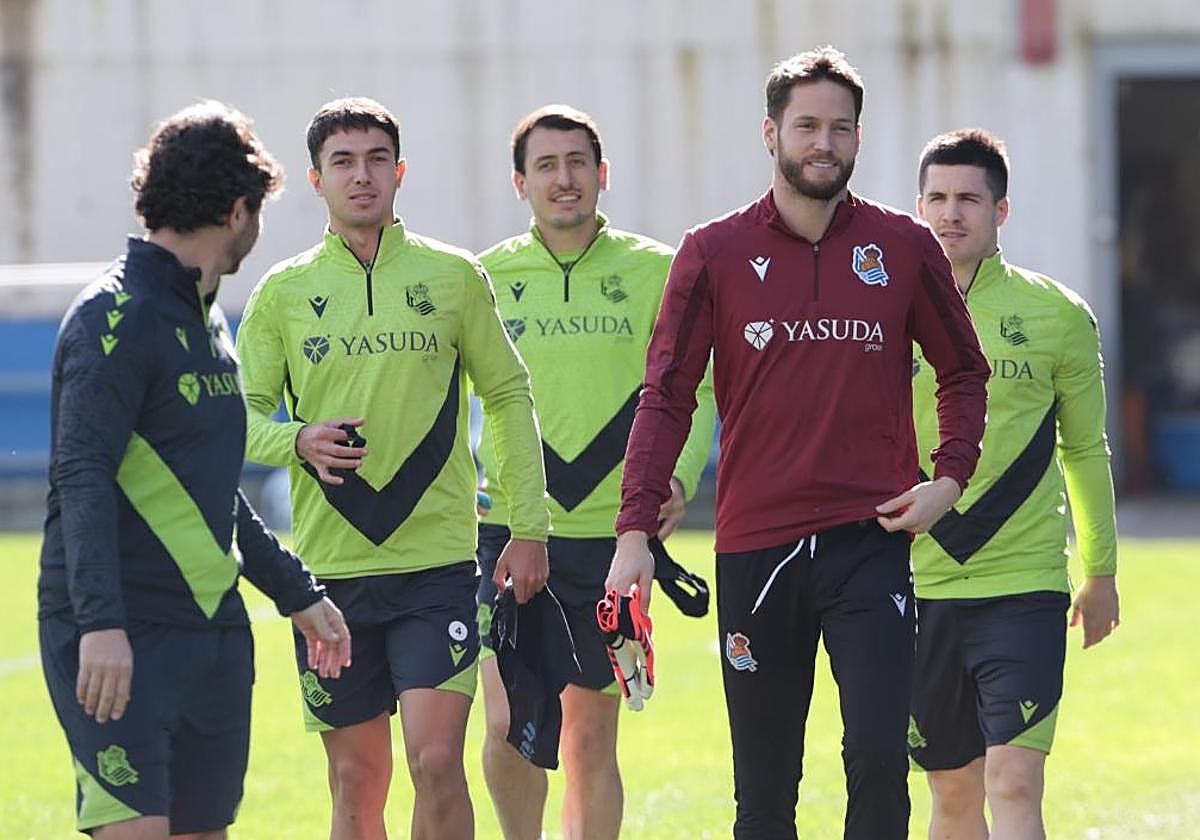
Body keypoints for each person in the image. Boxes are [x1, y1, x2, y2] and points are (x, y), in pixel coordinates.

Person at [607, 46, 991, 839]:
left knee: (880, 763)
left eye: (840, 128)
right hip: (757, 546)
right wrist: (634, 532)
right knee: (765, 789)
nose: (824, 142)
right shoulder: (711, 251)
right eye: (807, 124)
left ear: (858, 139)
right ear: (771, 132)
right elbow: (666, 396)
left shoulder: (904, 245)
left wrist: (949, 477)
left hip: (870, 539)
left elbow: (964, 371)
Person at [236, 97, 550, 840]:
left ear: (400, 170)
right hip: (327, 578)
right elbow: (235, 423)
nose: (362, 175)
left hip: (437, 564)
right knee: (356, 782)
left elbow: (508, 394)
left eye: (377, 159)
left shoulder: (454, 276)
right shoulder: (281, 293)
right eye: (342, 162)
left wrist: (528, 526)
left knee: (437, 760)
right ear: (315, 180)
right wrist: (295, 440)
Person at [37, 101, 352, 840]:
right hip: (121, 637)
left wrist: (294, 591)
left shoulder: (207, 319)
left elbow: (207, 487)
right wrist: (102, 626)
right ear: (240, 210)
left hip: (211, 631)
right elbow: (80, 477)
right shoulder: (112, 317)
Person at [472, 104, 717, 840]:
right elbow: (448, 399)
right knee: (509, 720)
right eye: (545, 165)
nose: (564, 178)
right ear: (521, 183)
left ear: (602, 174)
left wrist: (676, 477)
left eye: (577, 162)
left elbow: (694, 383)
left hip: (617, 539)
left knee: (588, 736)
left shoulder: (658, 271)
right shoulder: (482, 277)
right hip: (508, 531)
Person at [909, 128, 1120, 840]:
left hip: (1024, 586)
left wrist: (1101, 571)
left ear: (1001, 210)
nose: (951, 213)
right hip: (915, 585)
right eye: (937, 197)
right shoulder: (884, 316)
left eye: (969, 197)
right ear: (918, 206)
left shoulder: (1058, 315)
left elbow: (1086, 450)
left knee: (1014, 780)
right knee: (953, 790)